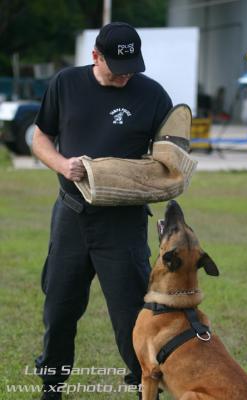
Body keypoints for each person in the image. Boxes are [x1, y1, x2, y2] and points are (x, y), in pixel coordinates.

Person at [32, 22, 172, 400]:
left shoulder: (153, 94)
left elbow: (171, 152)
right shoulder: (66, 84)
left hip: (123, 221)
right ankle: (52, 386)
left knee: (132, 315)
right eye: (116, 67)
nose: (126, 75)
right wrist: (62, 165)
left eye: (132, 67)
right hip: (72, 216)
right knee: (59, 309)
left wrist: (162, 173)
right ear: (95, 56)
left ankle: (144, 386)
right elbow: (40, 135)